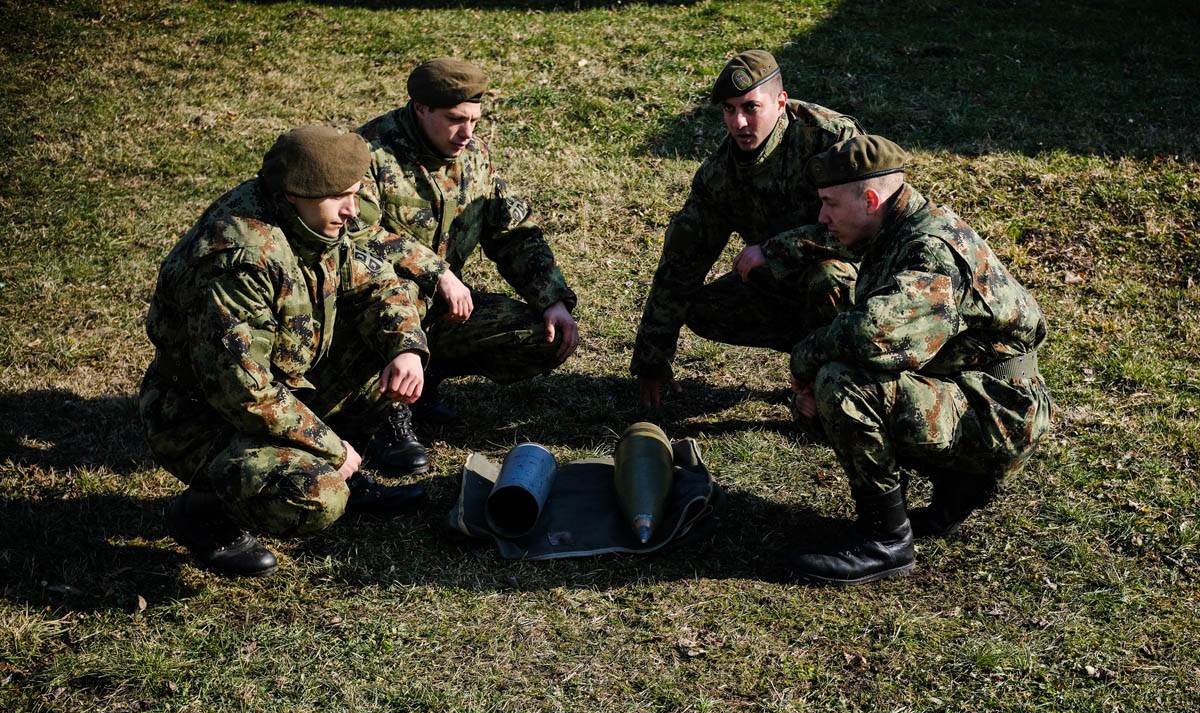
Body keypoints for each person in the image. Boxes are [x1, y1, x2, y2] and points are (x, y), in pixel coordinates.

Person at [140, 125, 431, 577]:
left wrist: (406, 349)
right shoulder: (240, 258)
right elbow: (244, 392)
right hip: (201, 416)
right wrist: (332, 450)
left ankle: (347, 472)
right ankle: (204, 514)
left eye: (356, 194)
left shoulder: (317, 220)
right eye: (341, 198)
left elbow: (382, 284)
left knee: (395, 330)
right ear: (295, 193)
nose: (353, 211)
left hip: (288, 379)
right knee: (315, 494)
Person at [785, 135, 1053, 584]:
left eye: (830, 204)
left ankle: (885, 541)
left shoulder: (929, 249)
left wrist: (803, 359)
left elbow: (875, 336)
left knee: (843, 384)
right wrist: (766, 255)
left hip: (1000, 413)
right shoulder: (895, 223)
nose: (822, 216)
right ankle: (959, 487)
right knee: (843, 364)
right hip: (976, 391)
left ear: (870, 199)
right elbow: (822, 242)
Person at [356, 57, 580, 471]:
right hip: (373, 311)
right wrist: (436, 271)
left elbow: (512, 231)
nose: (468, 133)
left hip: (440, 310)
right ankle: (382, 416)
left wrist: (551, 299)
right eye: (455, 120)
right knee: (390, 301)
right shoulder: (367, 156)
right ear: (420, 107)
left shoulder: (474, 154)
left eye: (475, 120)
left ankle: (422, 384)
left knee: (540, 335)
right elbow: (355, 239)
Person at [630, 49, 861, 409]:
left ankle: (848, 384)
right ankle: (811, 355)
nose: (738, 123)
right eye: (728, 109)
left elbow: (864, 230)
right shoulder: (720, 176)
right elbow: (680, 264)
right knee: (704, 307)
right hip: (782, 282)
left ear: (781, 102)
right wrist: (651, 359)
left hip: (855, 277)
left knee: (828, 278)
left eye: (750, 107)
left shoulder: (830, 141)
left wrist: (774, 249)